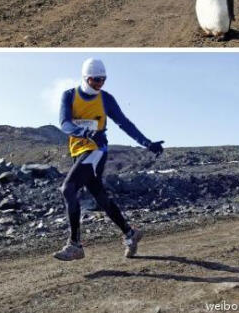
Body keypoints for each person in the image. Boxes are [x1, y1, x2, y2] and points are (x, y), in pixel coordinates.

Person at [54, 58, 164, 261]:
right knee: (99, 195)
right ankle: (130, 233)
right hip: (79, 150)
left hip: (97, 150)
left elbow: (124, 123)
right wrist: (86, 132)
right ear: (85, 78)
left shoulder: (106, 99)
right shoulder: (69, 96)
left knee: (68, 188)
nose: (99, 84)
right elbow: (64, 124)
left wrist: (147, 143)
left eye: (103, 80)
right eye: (95, 80)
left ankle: (75, 245)